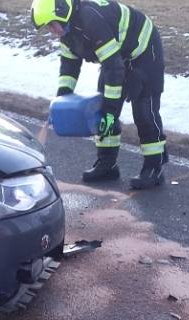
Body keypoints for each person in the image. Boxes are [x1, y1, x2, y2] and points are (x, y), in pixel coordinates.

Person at [31, 0, 168, 189]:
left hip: (143, 50)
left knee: (144, 110)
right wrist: (62, 99)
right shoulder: (66, 33)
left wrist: (111, 112)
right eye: (48, 27)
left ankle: (154, 168)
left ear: (62, 13)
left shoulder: (90, 19)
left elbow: (114, 67)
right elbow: (69, 66)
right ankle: (107, 165)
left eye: (52, 25)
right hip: (115, 58)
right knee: (102, 108)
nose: (52, 31)